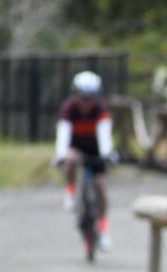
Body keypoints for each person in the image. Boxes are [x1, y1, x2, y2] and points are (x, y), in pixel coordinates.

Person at [55, 70, 114, 252]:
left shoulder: (101, 110)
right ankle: (70, 192)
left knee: (101, 187)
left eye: (91, 98)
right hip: (76, 148)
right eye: (83, 98)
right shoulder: (69, 109)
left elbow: (105, 134)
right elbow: (63, 134)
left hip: (96, 150)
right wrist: (61, 154)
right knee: (71, 159)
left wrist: (107, 153)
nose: (87, 103)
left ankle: (103, 228)